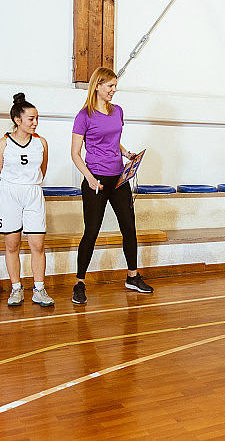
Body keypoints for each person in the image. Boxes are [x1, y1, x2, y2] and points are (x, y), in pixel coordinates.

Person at [70, 66, 152, 303]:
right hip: (96, 180)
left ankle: (132, 276)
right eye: (110, 86)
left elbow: (113, 141)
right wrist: (89, 178)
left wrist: (126, 153)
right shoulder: (84, 116)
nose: (114, 90)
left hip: (118, 179)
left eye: (115, 86)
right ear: (97, 86)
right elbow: (75, 153)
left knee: (129, 228)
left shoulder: (117, 111)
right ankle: (79, 283)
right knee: (91, 232)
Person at [0, 93, 53, 307]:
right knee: (12, 243)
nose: (35, 123)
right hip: (9, 194)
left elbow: (42, 170)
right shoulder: (1, 145)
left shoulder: (41, 143)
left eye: (37, 118)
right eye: (31, 119)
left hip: (33, 193)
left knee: (37, 243)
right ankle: (16, 288)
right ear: (18, 120)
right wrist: (6, 198)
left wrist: (30, 186)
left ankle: (39, 288)